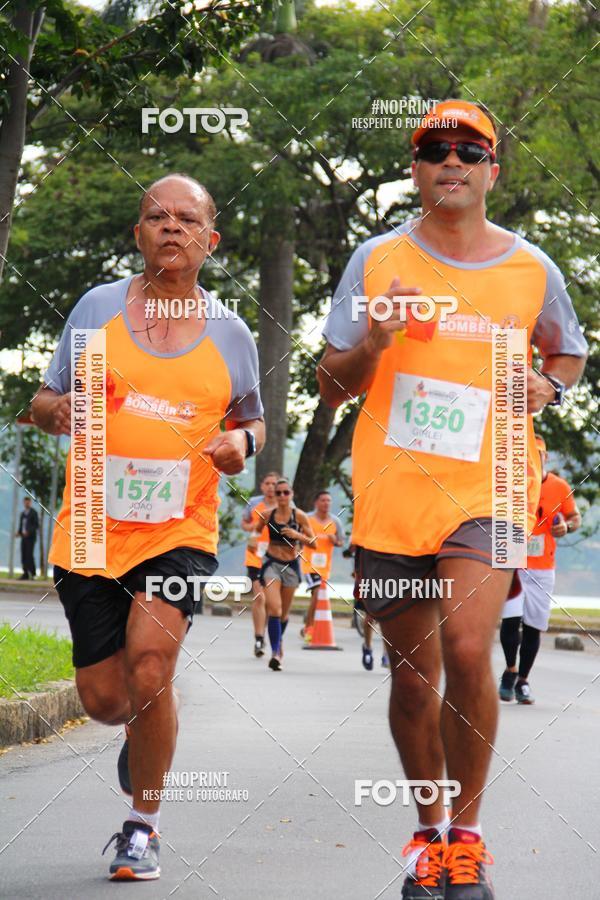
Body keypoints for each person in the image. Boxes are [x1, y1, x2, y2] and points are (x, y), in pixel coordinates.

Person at [317, 99, 588, 899]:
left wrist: (547, 386)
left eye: (470, 151)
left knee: (471, 651)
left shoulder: (532, 267)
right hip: (394, 496)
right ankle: (428, 832)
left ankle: (465, 842)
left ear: (492, 171)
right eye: (435, 147)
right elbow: (329, 387)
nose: (453, 161)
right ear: (415, 167)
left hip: (493, 485)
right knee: (412, 677)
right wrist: (375, 342)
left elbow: (568, 354)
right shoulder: (375, 260)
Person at [31, 174, 265, 881]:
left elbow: (252, 417)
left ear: (210, 240)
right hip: (92, 533)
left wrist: (242, 446)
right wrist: (58, 412)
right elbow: (43, 397)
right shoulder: (96, 310)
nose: (171, 227)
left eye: (186, 219)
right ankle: (143, 728)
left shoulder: (231, 332)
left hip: (178, 531)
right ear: (137, 234)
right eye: (156, 217)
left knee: (152, 666)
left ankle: (144, 825)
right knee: (107, 701)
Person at [500, 435, 581, 704]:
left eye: (538, 455)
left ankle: (523, 680)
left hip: (543, 566)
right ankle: (510, 670)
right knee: (510, 620)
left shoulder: (559, 486)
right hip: (512, 558)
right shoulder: (508, 484)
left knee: (533, 627)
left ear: (545, 458)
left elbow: (574, 517)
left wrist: (566, 527)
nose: (531, 460)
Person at [258, 477, 314, 670]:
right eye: (278, 492)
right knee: (275, 608)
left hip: (290, 565)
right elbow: (256, 534)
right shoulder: (266, 514)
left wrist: (298, 536)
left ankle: (278, 644)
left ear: (291, 495)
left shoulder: (300, 516)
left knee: (284, 614)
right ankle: (275, 653)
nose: (282, 496)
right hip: (271, 563)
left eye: (285, 492)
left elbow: (313, 542)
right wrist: (254, 545)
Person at [241, 471, 278, 657]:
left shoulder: (286, 505)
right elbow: (245, 523)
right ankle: (258, 638)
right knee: (260, 598)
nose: (271, 487)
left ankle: (263, 634)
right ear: (262, 486)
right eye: (268, 483)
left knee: (272, 603)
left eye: (274, 483)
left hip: (275, 558)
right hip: (255, 556)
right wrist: (253, 530)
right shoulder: (254, 503)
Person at [300, 490, 344, 642]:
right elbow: (298, 537)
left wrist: (335, 541)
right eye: (323, 500)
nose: (326, 503)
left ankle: (308, 625)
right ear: (316, 502)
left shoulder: (335, 522)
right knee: (317, 593)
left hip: (325, 567)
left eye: (329, 500)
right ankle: (309, 628)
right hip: (309, 564)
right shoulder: (307, 519)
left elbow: (341, 542)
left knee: (317, 596)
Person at [17, 496, 39, 580]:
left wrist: (28, 532)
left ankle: (33, 574)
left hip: (31, 538)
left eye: (28, 502)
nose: (26, 503)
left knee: (29, 555)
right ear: (23, 503)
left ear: (30, 502)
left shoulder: (34, 513)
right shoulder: (22, 514)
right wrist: (19, 533)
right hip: (23, 537)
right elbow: (21, 525)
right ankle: (25, 573)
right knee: (23, 555)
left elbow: (36, 525)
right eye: (25, 502)